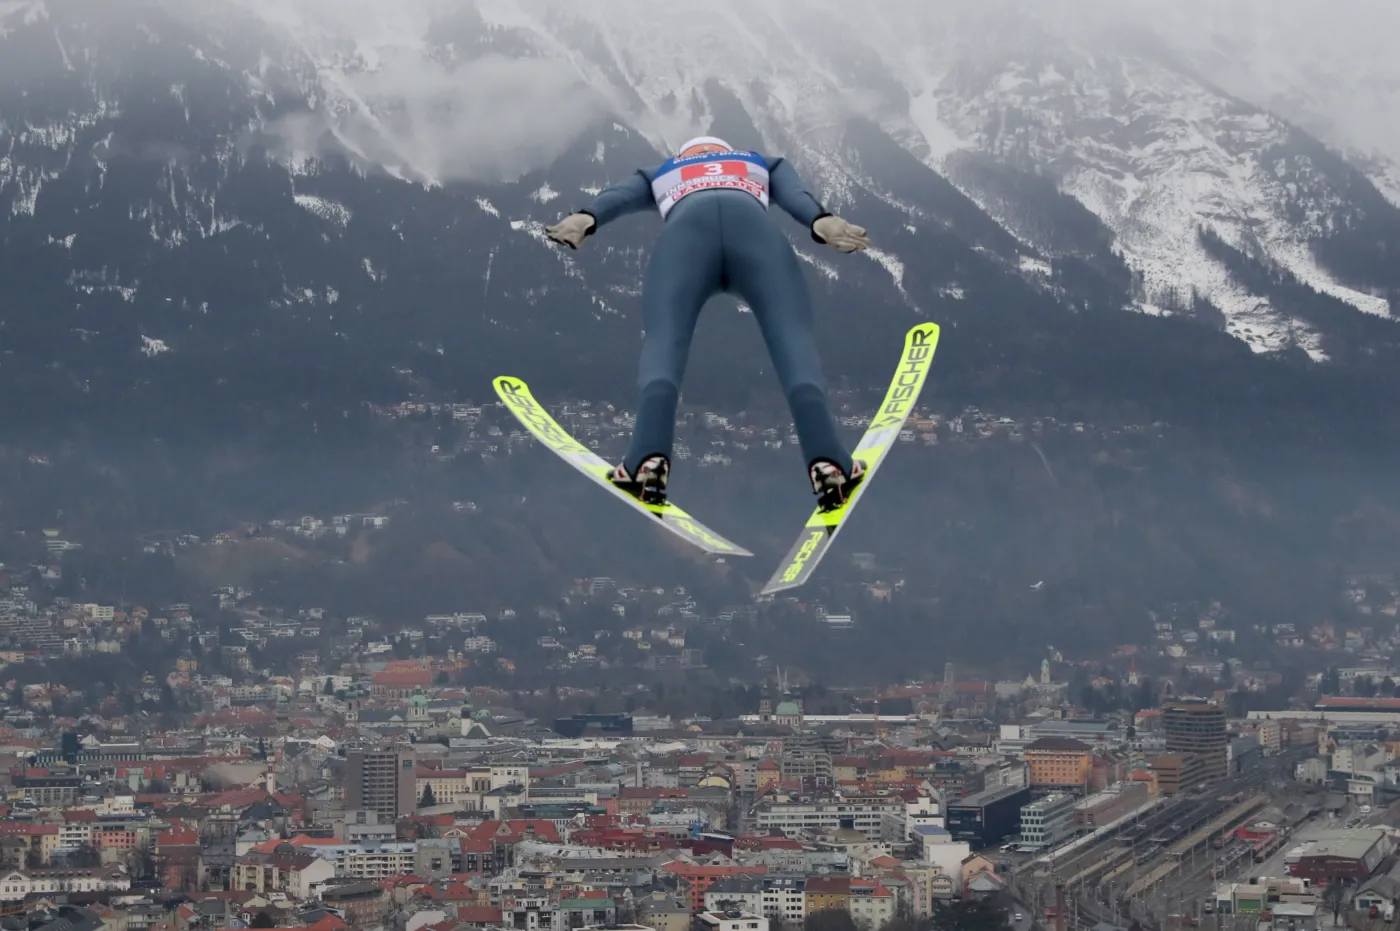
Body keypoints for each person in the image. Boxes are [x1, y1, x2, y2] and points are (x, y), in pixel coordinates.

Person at [545, 136, 871, 510]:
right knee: (793, 341)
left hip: (685, 236)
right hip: (756, 234)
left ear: (682, 157)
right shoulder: (762, 163)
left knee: (664, 343)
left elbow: (617, 194)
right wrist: (821, 220)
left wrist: (585, 216)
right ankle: (829, 463)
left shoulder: (660, 172)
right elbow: (796, 193)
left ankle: (646, 462)